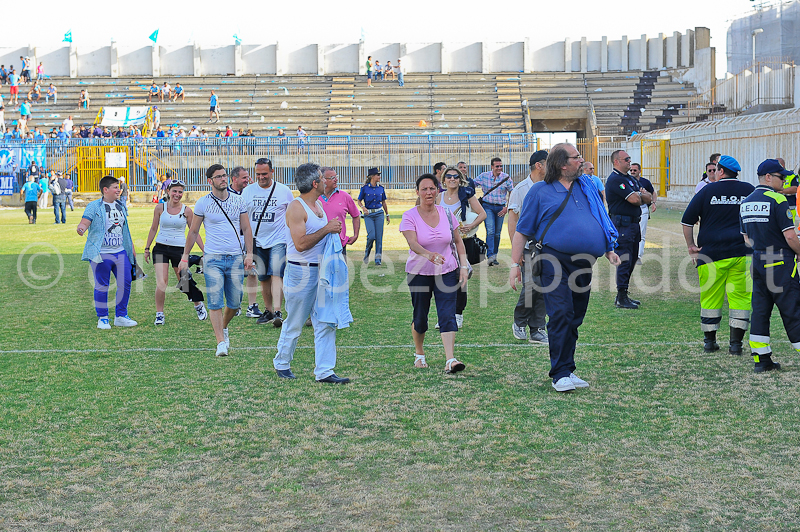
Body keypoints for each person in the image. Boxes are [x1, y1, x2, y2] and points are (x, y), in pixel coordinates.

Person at [510, 143, 620, 392]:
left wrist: (608, 248)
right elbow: (522, 230)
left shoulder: (587, 186)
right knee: (560, 314)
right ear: (562, 164)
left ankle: (568, 369)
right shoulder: (539, 191)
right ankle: (559, 373)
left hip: (584, 264)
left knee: (574, 317)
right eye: (576, 157)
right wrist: (515, 264)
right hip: (553, 261)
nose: (582, 161)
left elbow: (600, 218)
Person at [272, 163, 351, 383]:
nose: (326, 181)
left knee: (326, 321)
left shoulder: (318, 205)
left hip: (322, 272)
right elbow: (300, 244)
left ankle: (325, 371)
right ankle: (282, 363)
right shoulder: (296, 207)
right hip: (301, 273)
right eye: (322, 178)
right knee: (295, 321)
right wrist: (327, 229)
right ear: (315, 183)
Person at [180, 164, 254, 357]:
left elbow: (246, 229)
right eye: (219, 176)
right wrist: (185, 257)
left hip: (236, 257)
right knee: (215, 301)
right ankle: (220, 342)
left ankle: (224, 327)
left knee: (235, 302)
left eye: (224, 176)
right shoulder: (203, 203)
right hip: (213, 258)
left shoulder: (238, 201)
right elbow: (194, 231)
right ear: (209, 181)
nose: (223, 179)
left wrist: (249, 254)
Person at [682, 155, 753, 354]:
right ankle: (736, 345)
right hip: (742, 253)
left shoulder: (707, 191)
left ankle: (709, 342)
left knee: (710, 299)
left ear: (720, 171)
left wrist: (691, 245)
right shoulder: (749, 190)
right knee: (740, 298)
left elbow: (687, 221)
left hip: (711, 253)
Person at [400, 173, 470, 374]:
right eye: (424, 189)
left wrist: (463, 267)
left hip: (447, 271)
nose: (429, 192)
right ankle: (419, 355)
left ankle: (450, 359)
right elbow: (412, 243)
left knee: (447, 314)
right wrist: (429, 255)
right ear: (418, 192)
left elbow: (458, 242)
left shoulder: (447, 214)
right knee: (420, 316)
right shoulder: (409, 216)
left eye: (432, 188)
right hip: (419, 273)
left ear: (437, 190)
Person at [740, 159, 800, 373]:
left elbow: (746, 238)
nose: (784, 181)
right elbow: (790, 236)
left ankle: (761, 358)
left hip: (758, 261)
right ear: (768, 177)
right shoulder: (777, 199)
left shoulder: (745, 202)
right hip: (780, 261)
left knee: (760, 310)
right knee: (793, 307)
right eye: (781, 177)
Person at [76, 175, 139, 330]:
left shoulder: (120, 205)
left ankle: (121, 316)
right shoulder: (94, 206)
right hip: (101, 253)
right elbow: (85, 221)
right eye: (115, 187)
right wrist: (81, 228)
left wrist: (131, 249)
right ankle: (103, 318)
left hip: (120, 252)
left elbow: (125, 230)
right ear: (106, 190)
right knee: (102, 286)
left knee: (125, 284)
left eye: (119, 187)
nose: (119, 190)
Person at [143, 179, 208, 325]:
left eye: (180, 192)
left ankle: (198, 304)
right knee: (162, 283)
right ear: (168, 192)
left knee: (184, 281)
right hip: (160, 248)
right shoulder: (160, 208)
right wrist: (147, 248)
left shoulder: (187, 211)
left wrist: (205, 250)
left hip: (179, 249)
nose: (177, 194)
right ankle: (159, 314)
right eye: (175, 191)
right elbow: (153, 228)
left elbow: (194, 232)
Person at [242, 157, 294, 326]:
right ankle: (269, 310)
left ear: (272, 172)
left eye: (265, 173)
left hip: (278, 239)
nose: (261, 177)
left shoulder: (284, 191)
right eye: (258, 174)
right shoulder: (248, 192)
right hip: (257, 240)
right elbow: (242, 218)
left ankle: (278, 311)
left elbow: (291, 215)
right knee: (263, 277)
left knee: (276, 273)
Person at [435, 166, 485, 330]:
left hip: (462, 242)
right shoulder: (439, 196)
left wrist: (471, 226)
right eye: (448, 176)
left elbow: (482, 214)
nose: (452, 179)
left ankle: (458, 314)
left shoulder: (466, 195)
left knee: (460, 278)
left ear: (460, 179)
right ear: (443, 180)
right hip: (442, 243)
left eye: (455, 177)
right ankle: (444, 315)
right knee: (442, 279)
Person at [507, 150, 549, 344]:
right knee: (532, 285)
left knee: (544, 287)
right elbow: (513, 222)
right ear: (538, 165)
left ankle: (538, 329)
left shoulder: (551, 187)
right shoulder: (521, 189)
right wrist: (517, 254)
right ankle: (520, 320)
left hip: (548, 244)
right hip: (528, 245)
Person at [605, 149, 652, 309]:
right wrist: (640, 195)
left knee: (632, 260)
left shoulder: (630, 180)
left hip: (633, 224)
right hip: (622, 225)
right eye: (626, 160)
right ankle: (621, 296)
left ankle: (623, 294)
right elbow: (635, 199)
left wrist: (639, 195)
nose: (629, 162)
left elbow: (649, 197)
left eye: (629, 159)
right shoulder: (615, 180)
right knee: (624, 260)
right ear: (616, 161)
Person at [228, 166, 262, 319]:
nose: (247, 180)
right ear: (234, 179)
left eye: (248, 177)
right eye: (244, 177)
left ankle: (252, 306)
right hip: (233, 238)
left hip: (249, 236)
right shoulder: (226, 194)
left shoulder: (252, 191)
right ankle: (235, 305)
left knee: (252, 270)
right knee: (234, 273)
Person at [474, 157, 513, 266]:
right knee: (490, 231)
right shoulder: (484, 176)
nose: (499, 168)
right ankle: (490, 256)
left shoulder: (506, 178)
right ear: (492, 167)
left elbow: (512, 193)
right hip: (488, 207)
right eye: (497, 166)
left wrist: (507, 207)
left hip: (501, 208)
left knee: (497, 233)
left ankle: (494, 255)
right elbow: (472, 184)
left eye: (501, 166)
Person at [320, 166, 361, 255]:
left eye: (336, 177)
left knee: (340, 269)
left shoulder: (345, 196)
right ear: (322, 180)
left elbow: (356, 215)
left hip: (339, 245)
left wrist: (355, 235)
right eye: (332, 178)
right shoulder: (315, 198)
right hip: (318, 245)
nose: (336, 180)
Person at [358, 167, 390, 265]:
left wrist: (387, 214)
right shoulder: (365, 188)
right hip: (369, 215)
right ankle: (367, 254)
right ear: (372, 176)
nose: (379, 177)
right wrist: (363, 207)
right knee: (371, 236)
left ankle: (378, 260)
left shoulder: (381, 188)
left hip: (379, 214)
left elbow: (383, 202)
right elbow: (359, 200)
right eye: (377, 175)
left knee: (379, 237)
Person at [631, 162, 656, 263]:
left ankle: (638, 256)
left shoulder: (645, 182)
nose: (632, 172)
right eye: (631, 170)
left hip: (643, 208)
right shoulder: (627, 181)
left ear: (639, 171)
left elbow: (653, 193)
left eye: (635, 170)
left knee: (641, 233)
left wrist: (654, 203)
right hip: (631, 209)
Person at [777, 157, 798, 223]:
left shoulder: (791, 176)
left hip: (789, 208)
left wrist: (781, 191)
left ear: (782, 165)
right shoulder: (773, 176)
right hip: (777, 207)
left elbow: (795, 189)